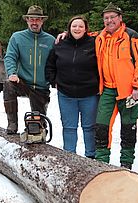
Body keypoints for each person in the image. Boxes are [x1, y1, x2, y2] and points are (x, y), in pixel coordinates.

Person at [94, 2, 138, 169]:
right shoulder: (100, 37)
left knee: (128, 128)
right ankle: (102, 163)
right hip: (108, 90)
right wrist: (67, 33)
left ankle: (126, 163)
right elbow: (82, 34)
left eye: (112, 17)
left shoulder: (132, 36)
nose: (109, 20)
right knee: (102, 126)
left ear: (120, 18)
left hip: (129, 92)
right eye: (106, 18)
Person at [45, 15, 99, 158]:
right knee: (69, 128)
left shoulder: (94, 43)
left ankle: (90, 157)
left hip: (89, 94)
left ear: (86, 29)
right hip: (66, 94)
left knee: (89, 128)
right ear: (69, 28)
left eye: (81, 26)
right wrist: (54, 81)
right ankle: (70, 158)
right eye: (74, 26)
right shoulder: (60, 44)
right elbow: (50, 65)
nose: (77, 28)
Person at [3, 5, 55, 135]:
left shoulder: (51, 40)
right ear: (27, 20)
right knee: (9, 85)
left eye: (37, 20)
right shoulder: (17, 37)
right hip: (23, 82)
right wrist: (12, 73)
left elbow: (58, 61)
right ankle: (12, 123)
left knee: (37, 128)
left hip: (41, 87)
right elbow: (10, 56)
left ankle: (37, 128)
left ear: (42, 21)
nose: (34, 22)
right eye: (31, 19)